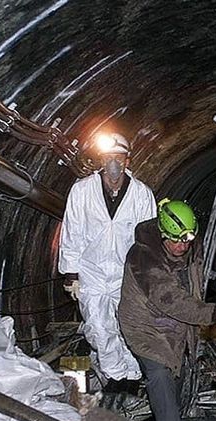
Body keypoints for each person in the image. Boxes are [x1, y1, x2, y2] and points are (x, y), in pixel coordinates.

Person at [118, 199, 216, 421]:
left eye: (187, 240)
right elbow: (171, 299)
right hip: (144, 326)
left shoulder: (191, 243)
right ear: (162, 233)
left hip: (176, 325)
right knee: (159, 373)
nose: (182, 246)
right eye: (176, 240)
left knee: (179, 372)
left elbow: (192, 284)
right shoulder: (143, 257)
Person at [59, 132, 157, 384]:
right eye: (108, 157)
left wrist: (148, 276)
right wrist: (71, 274)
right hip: (91, 272)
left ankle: (133, 373)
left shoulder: (141, 194)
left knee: (129, 326)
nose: (113, 163)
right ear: (100, 160)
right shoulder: (81, 192)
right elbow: (72, 232)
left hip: (127, 274)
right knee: (99, 328)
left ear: (127, 160)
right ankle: (115, 376)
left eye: (119, 157)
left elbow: (148, 239)